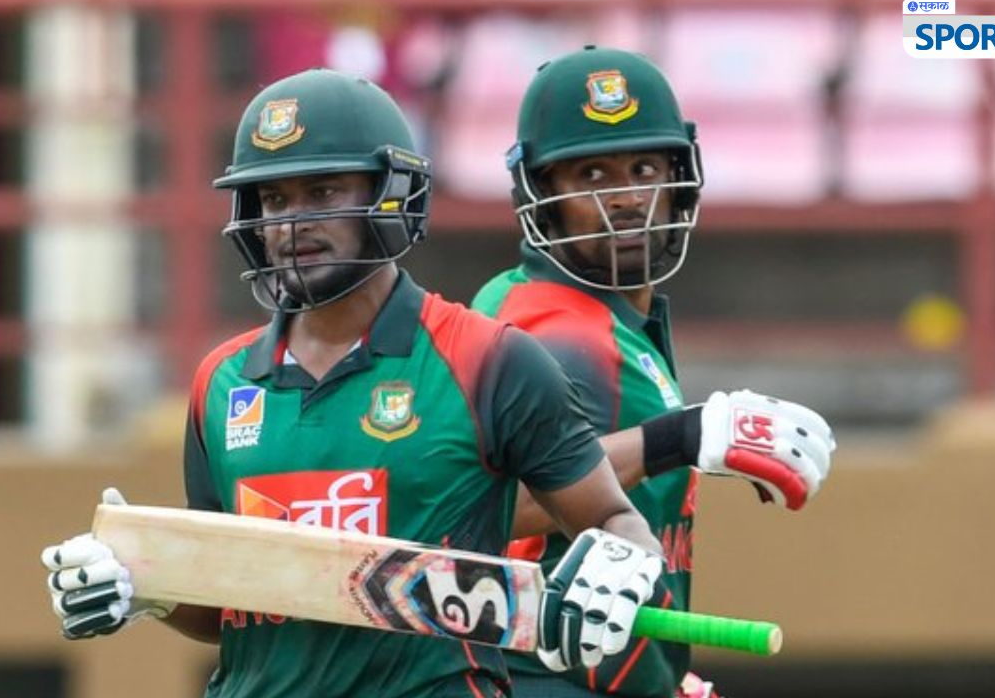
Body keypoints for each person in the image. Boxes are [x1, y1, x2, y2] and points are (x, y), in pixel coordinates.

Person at [39, 68, 672, 698]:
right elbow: (226, 600)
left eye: (322, 193)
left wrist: (620, 563)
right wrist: (144, 587)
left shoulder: (489, 358)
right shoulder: (222, 381)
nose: (292, 222)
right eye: (275, 200)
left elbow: (617, 519)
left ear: (393, 194)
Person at [472, 47, 836, 698]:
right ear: (541, 192)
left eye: (643, 168)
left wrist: (658, 677)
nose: (628, 199)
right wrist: (678, 438)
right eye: (591, 176)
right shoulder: (564, 337)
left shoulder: (579, 311)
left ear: (679, 176)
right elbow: (479, 504)